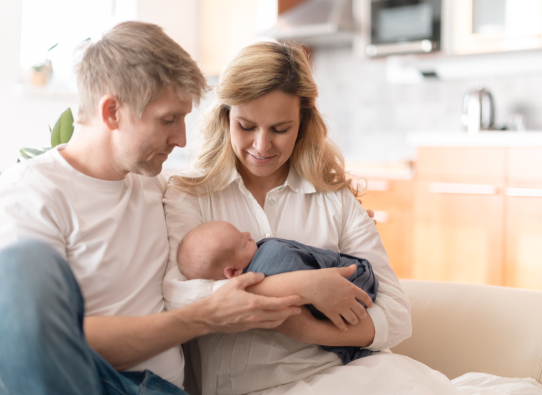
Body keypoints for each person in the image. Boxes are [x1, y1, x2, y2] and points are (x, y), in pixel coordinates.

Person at [0, 22, 378, 395]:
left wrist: (340, 215)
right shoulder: (32, 193)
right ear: (112, 111)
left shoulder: (157, 184)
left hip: (163, 389)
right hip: (93, 382)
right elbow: (40, 343)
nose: (181, 139)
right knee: (24, 266)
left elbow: (223, 193)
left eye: (184, 119)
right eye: (169, 119)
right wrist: (202, 317)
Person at [163, 41, 459, 395]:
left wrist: (308, 330)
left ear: (303, 122)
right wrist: (303, 287)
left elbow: (396, 317)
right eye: (246, 126)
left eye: (280, 129)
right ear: (225, 117)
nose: (261, 145)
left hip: (356, 377)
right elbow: (177, 298)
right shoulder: (189, 196)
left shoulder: (333, 198)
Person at [163, 220, 379, 364]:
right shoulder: (271, 258)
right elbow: (178, 296)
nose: (249, 234)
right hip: (356, 284)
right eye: (242, 241)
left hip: (354, 298)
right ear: (233, 271)